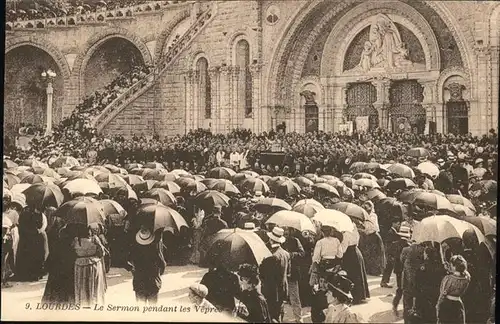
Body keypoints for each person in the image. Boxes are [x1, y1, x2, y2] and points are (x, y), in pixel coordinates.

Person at [127, 227, 166, 305]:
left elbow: (127, 261)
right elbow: (162, 264)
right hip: (153, 282)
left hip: (139, 282)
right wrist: (159, 273)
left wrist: (133, 270)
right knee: (153, 309)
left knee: (141, 309)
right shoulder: (155, 249)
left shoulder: (135, 249)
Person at [259, 226, 291, 323]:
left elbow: (263, 274)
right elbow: (288, 272)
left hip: (272, 291)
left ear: (271, 240)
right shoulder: (286, 254)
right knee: (278, 314)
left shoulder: (271, 257)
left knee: (271, 316)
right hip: (283, 289)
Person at [72, 223, 107, 307]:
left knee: (81, 286)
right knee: (94, 286)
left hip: (80, 265)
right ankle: (94, 304)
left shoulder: (76, 240)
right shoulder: (94, 238)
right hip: (93, 264)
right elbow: (102, 252)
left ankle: (82, 304)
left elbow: (73, 252)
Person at [15, 205, 47, 281]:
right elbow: (43, 226)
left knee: (25, 256)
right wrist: (38, 231)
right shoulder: (40, 215)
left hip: (25, 239)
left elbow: (19, 224)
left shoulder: (23, 214)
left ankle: (23, 275)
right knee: (35, 256)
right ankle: (35, 275)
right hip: (35, 238)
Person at [436, 255, 471, 324]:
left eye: (451, 264)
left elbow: (442, 294)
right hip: (458, 303)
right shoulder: (467, 278)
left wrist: (438, 306)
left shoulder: (448, 278)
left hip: (447, 305)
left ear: (454, 266)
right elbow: (464, 272)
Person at [340, 226, 370, 305]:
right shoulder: (355, 230)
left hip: (349, 254)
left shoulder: (345, 234)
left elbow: (343, 248)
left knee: (352, 275)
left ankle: (355, 297)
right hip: (356, 251)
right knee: (358, 275)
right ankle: (361, 295)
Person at [282, 226, 305, 323]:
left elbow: (302, 253)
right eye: (283, 229)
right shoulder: (277, 241)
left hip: (292, 274)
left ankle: (298, 319)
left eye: (287, 230)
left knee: (295, 297)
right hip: (281, 273)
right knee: (280, 299)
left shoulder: (295, 241)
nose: (285, 232)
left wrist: (292, 254)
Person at [358, 200, 385, 276]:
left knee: (375, 254)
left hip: (373, 235)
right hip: (367, 236)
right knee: (368, 253)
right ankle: (368, 269)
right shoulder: (363, 215)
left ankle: (376, 270)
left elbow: (374, 227)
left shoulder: (373, 216)